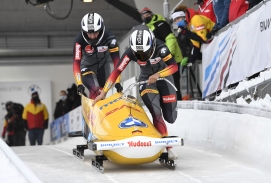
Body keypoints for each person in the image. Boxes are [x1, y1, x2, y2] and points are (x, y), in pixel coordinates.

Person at [93, 25, 179, 160]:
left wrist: (158, 74)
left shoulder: (161, 48)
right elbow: (116, 71)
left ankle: (162, 134)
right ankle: (168, 147)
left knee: (171, 117)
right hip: (146, 81)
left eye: (144, 53)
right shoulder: (130, 53)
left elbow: (174, 66)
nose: (141, 57)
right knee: (156, 112)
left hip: (164, 78)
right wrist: (104, 92)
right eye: (138, 54)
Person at [73, 13, 123, 100]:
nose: (92, 36)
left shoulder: (110, 38)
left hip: (103, 67)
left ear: (101, 29)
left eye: (95, 32)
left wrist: (118, 81)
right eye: (89, 33)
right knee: (94, 88)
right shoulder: (79, 39)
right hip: (87, 66)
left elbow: (117, 61)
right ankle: (92, 110)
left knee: (101, 92)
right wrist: (79, 83)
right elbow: (76, 62)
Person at [140, 7, 183, 100]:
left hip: (170, 58)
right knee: (162, 84)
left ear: (152, 15)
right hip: (159, 60)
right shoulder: (148, 28)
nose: (145, 17)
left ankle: (178, 103)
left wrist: (168, 54)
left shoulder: (160, 24)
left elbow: (171, 39)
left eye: (147, 15)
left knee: (173, 83)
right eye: (143, 16)